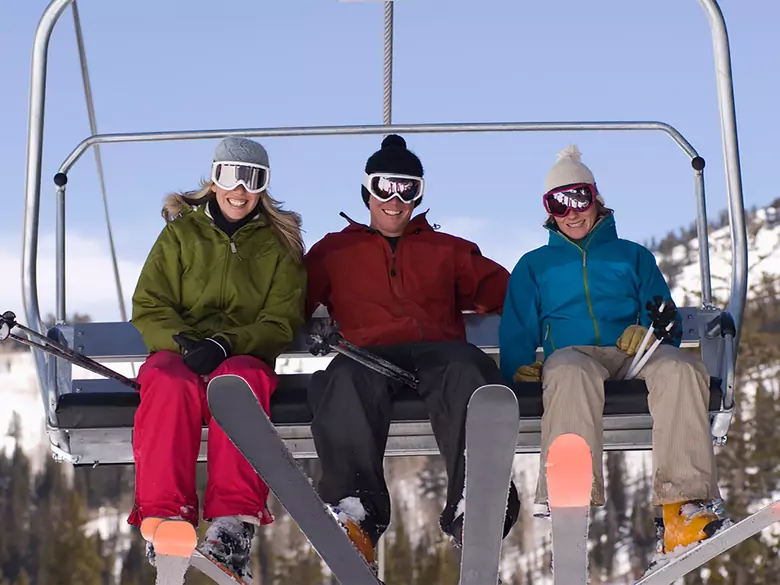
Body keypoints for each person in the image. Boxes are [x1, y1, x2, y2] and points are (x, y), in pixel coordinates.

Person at [303, 134, 521, 570]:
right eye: (385, 187)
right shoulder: (334, 251)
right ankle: (355, 511)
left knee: (470, 373)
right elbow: (287, 302)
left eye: (409, 189)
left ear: (419, 195)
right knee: (341, 380)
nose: (396, 200)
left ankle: (475, 499)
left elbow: (512, 294)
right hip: (367, 355)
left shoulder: (447, 250)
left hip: (436, 353)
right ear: (367, 191)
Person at [498, 145, 729, 553]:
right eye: (559, 203)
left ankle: (683, 508)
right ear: (549, 211)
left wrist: (649, 333)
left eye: (579, 199)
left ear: (596, 198)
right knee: (568, 370)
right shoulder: (535, 266)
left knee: (682, 369)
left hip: (634, 354)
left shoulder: (633, 257)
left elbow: (664, 316)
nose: (572, 212)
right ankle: (570, 495)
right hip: (575, 356)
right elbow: (517, 327)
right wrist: (518, 369)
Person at [129, 137, 307, 579]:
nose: (240, 189)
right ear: (213, 179)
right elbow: (150, 303)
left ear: (264, 187)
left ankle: (232, 525)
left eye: (253, 180)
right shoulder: (181, 234)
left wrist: (228, 344)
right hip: (183, 353)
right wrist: (182, 341)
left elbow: (280, 320)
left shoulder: (279, 244)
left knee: (240, 381)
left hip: (242, 353)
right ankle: (167, 517)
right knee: (166, 379)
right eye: (231, 176)